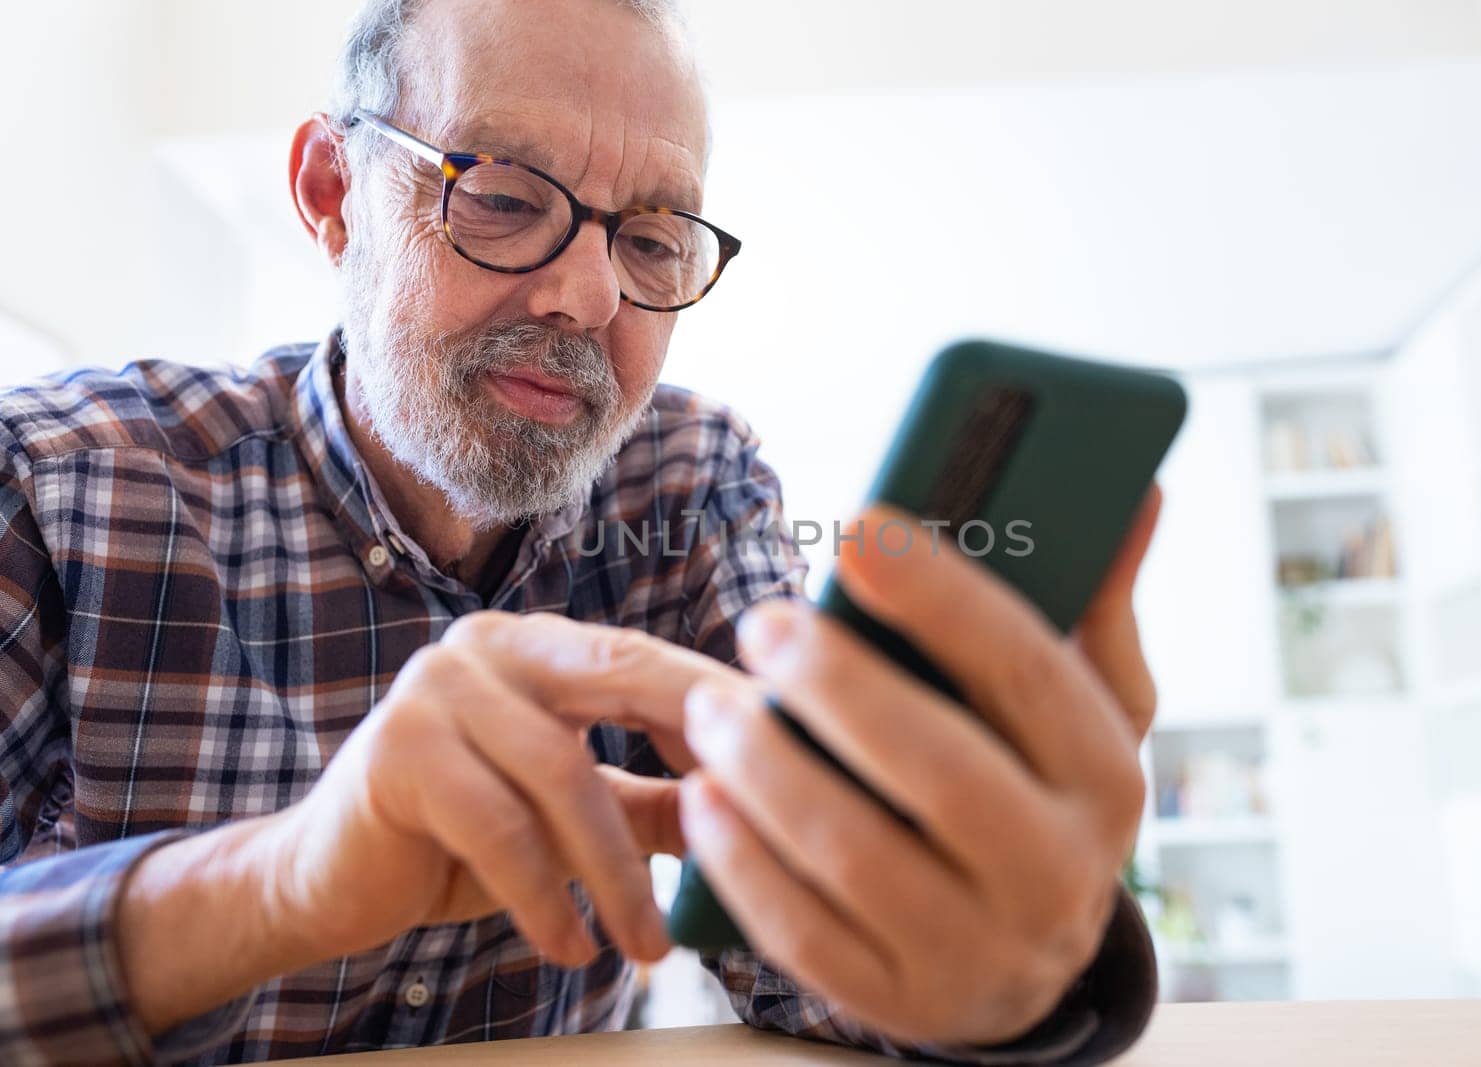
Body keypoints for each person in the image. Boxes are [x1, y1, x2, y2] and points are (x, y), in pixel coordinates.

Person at [0, 0, 1160, 1062]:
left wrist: (1003, 962)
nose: (589, 295)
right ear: (332, 192)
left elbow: (804, 941)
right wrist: (282, 884)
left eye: (652, 240)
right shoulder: (61, 483)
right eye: (503, 196)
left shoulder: (691, 485)